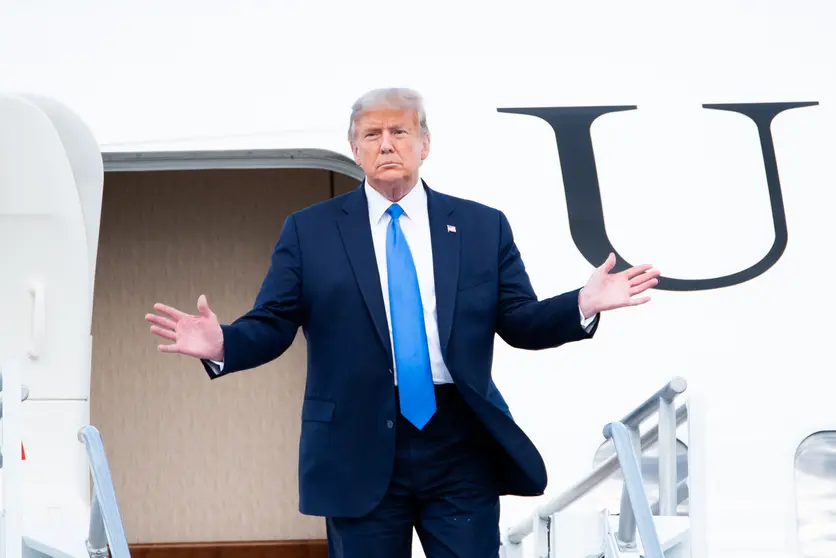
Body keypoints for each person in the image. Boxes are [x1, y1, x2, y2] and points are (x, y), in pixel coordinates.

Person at [145, 87, 659, 557]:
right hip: (355, 440)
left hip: (459, 440)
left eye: (399, 132)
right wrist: (222, 343)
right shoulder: (310, 231)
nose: (386, 144)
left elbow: (520, 321)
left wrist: (582, 304)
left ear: (424, 144)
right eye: (372, 134)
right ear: (355, 149)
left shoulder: (481, 225)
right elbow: (273, 324)